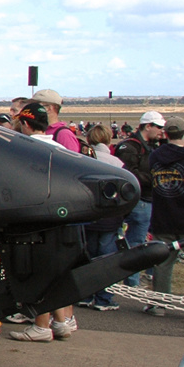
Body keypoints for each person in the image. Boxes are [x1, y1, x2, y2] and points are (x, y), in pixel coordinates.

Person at [8, 102, 79, 342]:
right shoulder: (60, 148)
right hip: (58, 217)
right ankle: (60, 321)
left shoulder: (24, 149)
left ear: (26, 124)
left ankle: (40, 325)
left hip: (34, 221)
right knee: (55, 272)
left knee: (36, 273)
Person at [144, 115, 184, 326]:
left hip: (163, 216)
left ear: (166, 133)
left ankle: (160, 304)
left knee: (162, 263)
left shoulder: (154, 157)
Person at [116, 112, 167, 312]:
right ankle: (131, 282)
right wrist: (153, 178)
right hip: (137, 200)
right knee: (135, 241)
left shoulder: (151, 147)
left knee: (139, 240)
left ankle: (133, 281)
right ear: (148, 126)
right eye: (159, 127)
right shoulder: (130, 147)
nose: (161, 131)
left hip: (146, 199)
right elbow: (128, 173)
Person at [79, 124, 126, 310]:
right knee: (107, 259)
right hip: (110, 216)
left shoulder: (84, 159)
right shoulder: (117, 162)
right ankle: (103, 298)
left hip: (89, 216)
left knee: (87, 256)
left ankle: (85, 294)